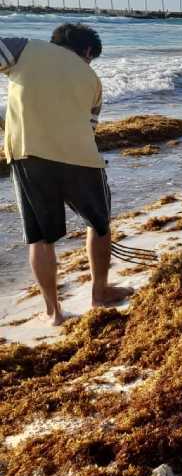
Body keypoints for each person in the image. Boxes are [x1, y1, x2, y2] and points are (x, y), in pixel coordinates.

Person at [1, 23, 132, 326]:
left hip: (29, 154)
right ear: (87, 51)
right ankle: (99, 294)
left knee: (40, 238)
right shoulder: (93, 79)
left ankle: (54, 312)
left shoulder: (24, 48)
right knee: (99, 226)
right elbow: (90, 128)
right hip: (82, 158)